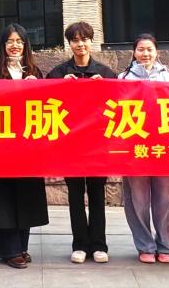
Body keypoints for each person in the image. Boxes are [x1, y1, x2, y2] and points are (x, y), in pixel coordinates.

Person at [0, 24, 49, 269]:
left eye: (19, 41)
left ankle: (22, 246)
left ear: (26, 44)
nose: (15, 45)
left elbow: (46, 106)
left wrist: (36, 88)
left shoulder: (35, 71)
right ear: (3, 45)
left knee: (26, 195)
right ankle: (10, 250)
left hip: (27, 146)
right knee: (3, 197)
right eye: (10, 41)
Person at [47, 21, 115, 264]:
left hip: (97, 145)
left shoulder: (106, 73)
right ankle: (79, 244)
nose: (80, 44)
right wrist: (60, 87)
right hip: (71, 145)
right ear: (69, 44)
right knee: (75, 195)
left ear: (91, 41)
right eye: (75, 40)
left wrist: (104, 88)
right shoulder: (57, 74)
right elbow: (46, 104)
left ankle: (99, 244)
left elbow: (119, 106)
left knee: (97, 194)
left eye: (84, 39)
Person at [117, 33, 169, 264]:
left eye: (149, 49)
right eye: (141, 49)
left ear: (157, 52)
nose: (145, 53)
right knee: (138, 197)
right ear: (134, 53)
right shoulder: (123, 78)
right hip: (135, 146)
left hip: (163, 146)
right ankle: (144, 245)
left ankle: (166, 245)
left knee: (166, 195)